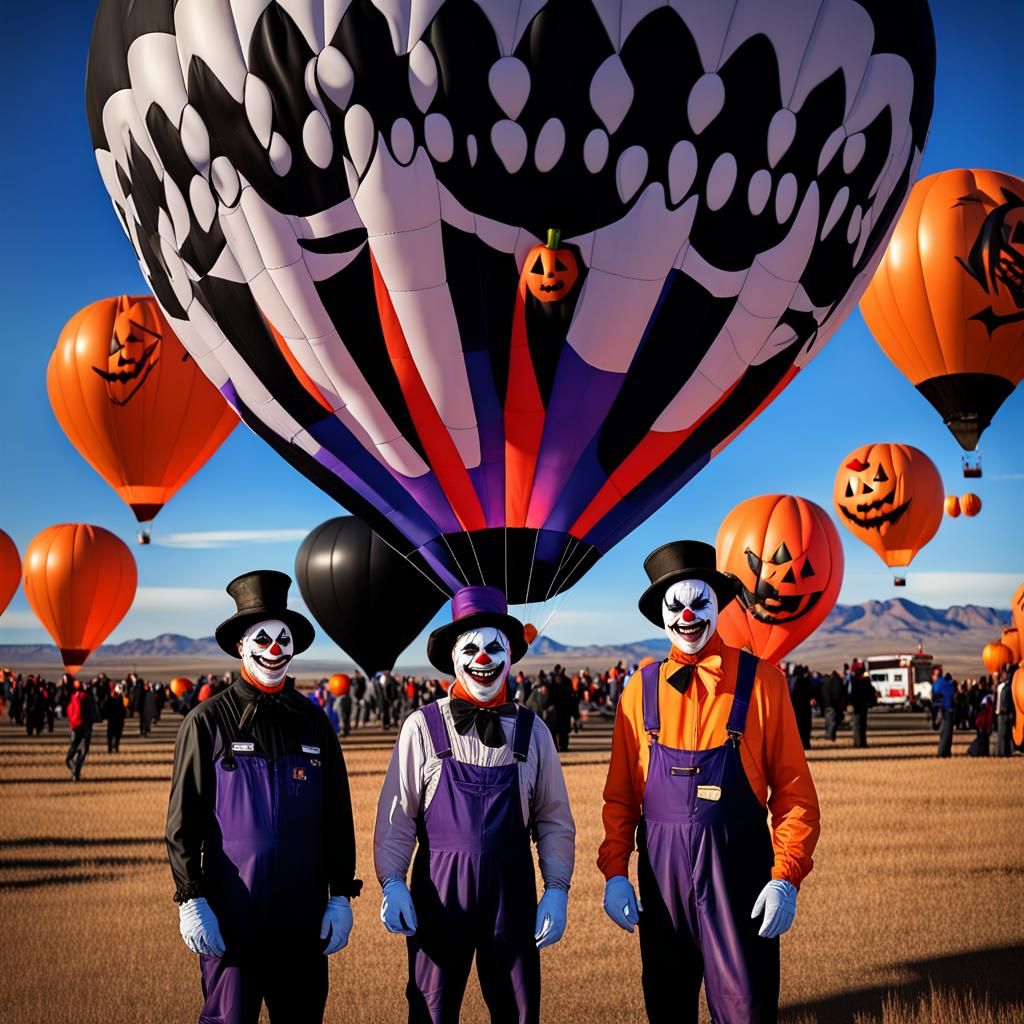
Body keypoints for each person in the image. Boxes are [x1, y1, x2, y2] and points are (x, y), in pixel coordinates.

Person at [599, 541, 820, 1024]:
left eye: (699, 603)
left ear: (717, 605)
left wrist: (786, 877)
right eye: (675, 606)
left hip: (738, 883)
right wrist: (615, 871)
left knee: (746, 1010)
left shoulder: (763, 682)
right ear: (660, 615)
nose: (687, 616)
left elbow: (794, 793)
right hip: (663, 885)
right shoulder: (640, 690)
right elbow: (621, 797)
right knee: (667, 1005)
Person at [374, 585, 575, 1023]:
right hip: (439, 899)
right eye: (472, 648)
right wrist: (391, 881)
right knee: (431, 1009)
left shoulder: (533, 730)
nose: (483, 659)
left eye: (493, 648)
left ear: (510, 654)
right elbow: (398, 816)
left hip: (512, 898)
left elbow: (553, 818)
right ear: (452, 657)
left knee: (518, 1011)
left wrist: (557, 888)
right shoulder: (421, 727)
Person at [166, 570, 360, 1024]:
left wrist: (340, 895)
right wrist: (192, 899)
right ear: (241, 645)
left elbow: (337, 816)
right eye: (264, 639)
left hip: (302, 918)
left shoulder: (315, 724)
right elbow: (182, 823)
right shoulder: (206, 722)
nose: (275, 650)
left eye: (283, 639)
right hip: (233, 917)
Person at [65, 680, 97, 780]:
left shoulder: (73, 698)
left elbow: (69, 712)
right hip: (86, 727)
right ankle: (76, 772)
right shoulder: (89, 699)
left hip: (75, 726)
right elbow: (94, 715)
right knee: (83, 751)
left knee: (74, 747)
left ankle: (71, 764)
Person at [849, 667, 877, 748]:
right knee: (861, 726)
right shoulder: (865, 681)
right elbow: (871, 691)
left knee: (858, 726)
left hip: (858, 706)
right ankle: (861, 743)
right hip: (863, 705)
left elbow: (852, 695)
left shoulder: (855, 681)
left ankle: (858, 743)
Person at [932, 671, 956, 758]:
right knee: (947, 733)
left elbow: (934, 699)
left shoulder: (936, 684)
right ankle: (943, 753)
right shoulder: (948, 685)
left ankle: (944, 753)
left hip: (941, 710)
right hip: (948, 710)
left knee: (944, 733)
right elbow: (953, 698)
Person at [995, 671, 1015, 757]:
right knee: (1001, 734)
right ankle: (1001, 752)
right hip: (1000, 713)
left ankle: (1004, 752)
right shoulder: (1000, 687)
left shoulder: (1008, 688)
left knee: (1004, 734)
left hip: (1005, 713)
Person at [103, 684, 126, 753]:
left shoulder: (119, 699)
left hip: (115, 719)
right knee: (113, 734)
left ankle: (114, 747)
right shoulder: (114, 699)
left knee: (115, 734)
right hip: (115, 719)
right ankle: (112, 747)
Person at [822, 671, 844, 741]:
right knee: (833, 721)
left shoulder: (826, 681)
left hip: (826, 705)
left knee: (828, 721)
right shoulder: (836, 681)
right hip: (833, 705)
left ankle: (828, 734)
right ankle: (831, 735)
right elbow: (837, 694)